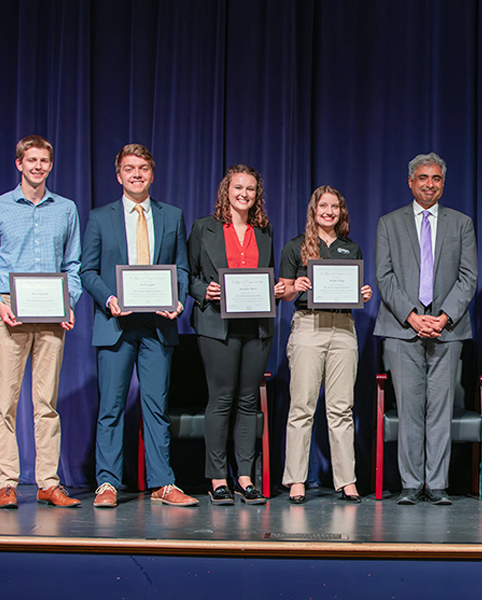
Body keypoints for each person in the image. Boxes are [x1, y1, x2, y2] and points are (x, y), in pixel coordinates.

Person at [81, 143, 197, 508]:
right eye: (129, 168)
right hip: (116, 323)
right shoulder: (101, 217)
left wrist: (178, 298)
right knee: (111, 407)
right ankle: (107, 484)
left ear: (152, 173)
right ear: (119, 175)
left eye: (143, 168)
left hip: (158, 326)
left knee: (156, 407)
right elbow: (88, 271)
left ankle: (163, 482)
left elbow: (181, 268)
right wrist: (108, 299)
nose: (136, 174)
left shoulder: (171, 215)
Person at [374, 152, 478, 506]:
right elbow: (384, 277)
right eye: (423, 178)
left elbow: (469, 277)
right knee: (409, 408)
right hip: (403, 329)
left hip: (448, 330)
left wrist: (444, 316)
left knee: (440, 410)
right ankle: (410, 483)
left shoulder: (461, 223)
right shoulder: (389, 223)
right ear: (410, 182)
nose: (429, 184)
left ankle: (436, 484)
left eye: (435, 178)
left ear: (443, 183)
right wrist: (412, 316)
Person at [188, 165, 285, 506]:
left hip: (257, 327)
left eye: (251, 189)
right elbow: (189, 276)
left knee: (248, 402)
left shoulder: (264, 230)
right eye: (238, 188)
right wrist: (205, 290)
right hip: (217, 325)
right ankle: (217, 479)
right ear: (226, 190)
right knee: (221, 400)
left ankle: (245, 477)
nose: (244, 194)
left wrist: (275, 288)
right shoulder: (204, 228)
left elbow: (268, 275)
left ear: (257, 195)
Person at [0, 135, 81, 509]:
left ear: (50, 165)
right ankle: (6, 482)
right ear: (19, 164)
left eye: (43, 161)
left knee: (46, 402)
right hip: (9, 314)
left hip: (51, 317)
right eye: (30, 160)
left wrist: (68, 301)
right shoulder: (1, 207)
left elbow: (73, 265)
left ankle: (48, 482)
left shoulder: (65, 209)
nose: (37, 166)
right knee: (4, 403)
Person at [279, 185, 372, 504]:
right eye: (323, 206)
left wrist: (362, 294)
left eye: (335, 206)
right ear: (313, 211)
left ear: (341, 212)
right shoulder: (296, 247)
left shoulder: (351, 248)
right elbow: (284, 293)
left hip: (344, 327)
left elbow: (355, 289)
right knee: (302, 405)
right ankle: (296, 480)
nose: (329, 212)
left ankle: (347, 481)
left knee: (341, 408)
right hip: (308, 325)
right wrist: (294, 286)